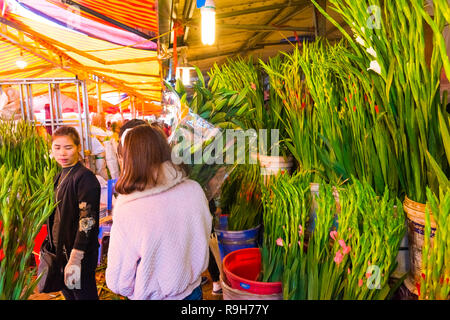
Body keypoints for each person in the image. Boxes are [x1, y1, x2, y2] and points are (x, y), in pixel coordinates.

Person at [105, 125, 212, 300]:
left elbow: (119, 279)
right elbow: (203, 234)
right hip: (193, 291)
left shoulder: (128, 208)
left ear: (129, 159)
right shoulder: (194, 189)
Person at [47, 126, 101, 300]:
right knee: (70, 295)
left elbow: (88, 220)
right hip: (61, 254)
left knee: (83, 296)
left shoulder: (84, 178)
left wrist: (76, 257)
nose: (62, 153)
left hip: (77, 255)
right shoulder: (60, 175)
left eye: (68, 147)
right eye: (57, 147)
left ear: (78, 147)